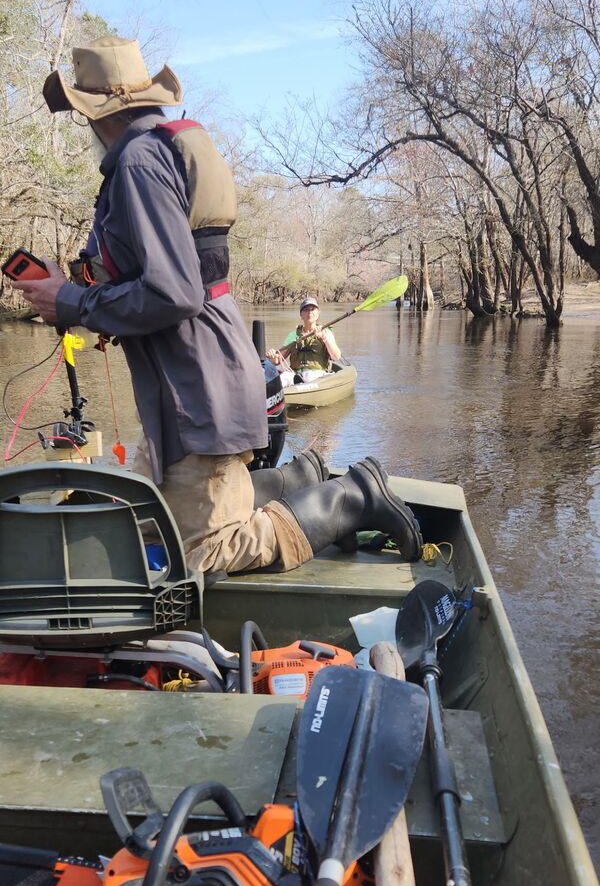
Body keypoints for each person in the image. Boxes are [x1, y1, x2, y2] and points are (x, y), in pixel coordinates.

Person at [13, 35, 423, 571]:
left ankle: (351, 499)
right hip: (191, 384)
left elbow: (173, 291)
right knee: (144, 507)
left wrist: (71, 302)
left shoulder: (138, 163)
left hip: (195, 388)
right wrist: (82, 292)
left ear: (95, 114)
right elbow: (165, 280)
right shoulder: (155, 152)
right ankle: (296, 479)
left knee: (199, 551)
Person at [267, 297, 341, 387]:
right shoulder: (293, 335)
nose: (309, 312)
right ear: (301, 315)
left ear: (318, 313)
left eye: (313, 309)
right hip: (296, 375)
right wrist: (272, 356)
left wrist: (324, 338)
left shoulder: (326, 332)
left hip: (318, 376)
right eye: (306, 310)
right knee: (283, 378)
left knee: (308, 377)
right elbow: (278, 360)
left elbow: (336, 356)